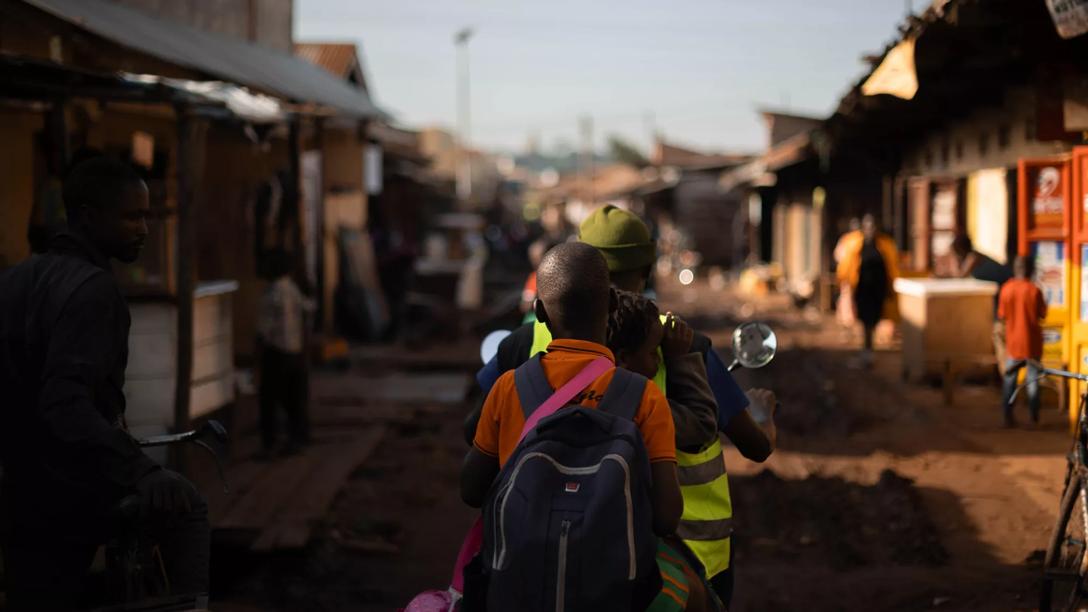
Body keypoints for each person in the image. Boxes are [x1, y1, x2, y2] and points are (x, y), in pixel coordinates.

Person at [470, 205, 777, 607]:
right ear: (648, 270)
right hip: (679, 557)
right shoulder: (681, 347)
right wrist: (761, 416)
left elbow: (473, 447)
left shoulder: (521, 349)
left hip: (532, 554)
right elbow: (752, 445)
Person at [0, 156, 209, 609]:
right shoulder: (94, 289)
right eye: (133, 216)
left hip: (19, 484)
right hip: (66, 485)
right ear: (89, 217)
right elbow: (65, 405)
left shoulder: (15, 278)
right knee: (185, 505)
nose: (145, 229)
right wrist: (142, 470)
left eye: (147, 216)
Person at [461, 242, 710, 612]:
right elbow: (666, 516)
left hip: (519, 586)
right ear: (612, 304)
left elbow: (470, 489)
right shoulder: (644, 397)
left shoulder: (509, 388)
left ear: (540, 313)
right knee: (701, 594)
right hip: (612, 590)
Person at [607, 290, 718, 451]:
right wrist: (679, 359)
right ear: (623, 358)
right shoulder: (638, 410)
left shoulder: (589, 388)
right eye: (653, 352)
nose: (659, 359)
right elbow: (703, 423)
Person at [257, 249, 314, 458]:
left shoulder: (271, 294)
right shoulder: (293, 289)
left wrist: (257, 358)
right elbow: (309, 309)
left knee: (269, 400)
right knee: (294, 399)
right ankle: (296, 439)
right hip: (295, 353)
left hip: (276, 353)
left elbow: (263, 331)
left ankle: (269, 444)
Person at [837, 214, 899, 368]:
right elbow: (847, 267)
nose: (871, 229)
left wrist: (891, 287)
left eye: (873, 226)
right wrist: (847, 286)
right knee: (865, 320)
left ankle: (868, 350)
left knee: (874, 319)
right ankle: (867, 350)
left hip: (878, 291)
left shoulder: (884, 245)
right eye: (868, 226)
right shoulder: (856, 244)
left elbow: (891, 267)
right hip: (863, 290)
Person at [951, 234, 1014, 374]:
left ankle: (1004, 375)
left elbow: (960, 276)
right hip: (1000, 297)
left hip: (1005, 296)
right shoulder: (974, 256)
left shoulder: (973, 257)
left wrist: (954, 259)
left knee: (1001, 340)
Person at [998, 256, 1048, 428]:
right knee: (1033, 381)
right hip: (1032, 344)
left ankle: (1007, 416)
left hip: (1013, 344)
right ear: (1030, 269)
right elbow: (1042, 314)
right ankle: (1034, 418)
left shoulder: (1006, 289)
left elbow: (1002, 316)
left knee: (1009, 381)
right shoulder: (1034, 290)